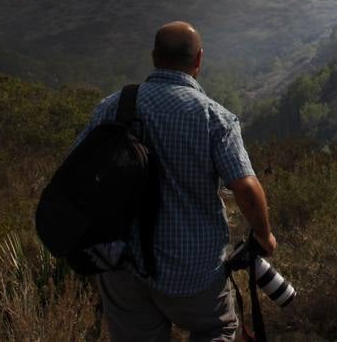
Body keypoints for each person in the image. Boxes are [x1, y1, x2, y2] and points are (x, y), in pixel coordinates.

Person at [79, 21, 276, 342]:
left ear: (154, 56)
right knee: (218, 329)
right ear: (198, 60)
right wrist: (264, 235)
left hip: (121, 265)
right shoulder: (214, 118)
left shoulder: (113, 106)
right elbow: (245, 186)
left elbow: (78, 173)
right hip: (193, 273)